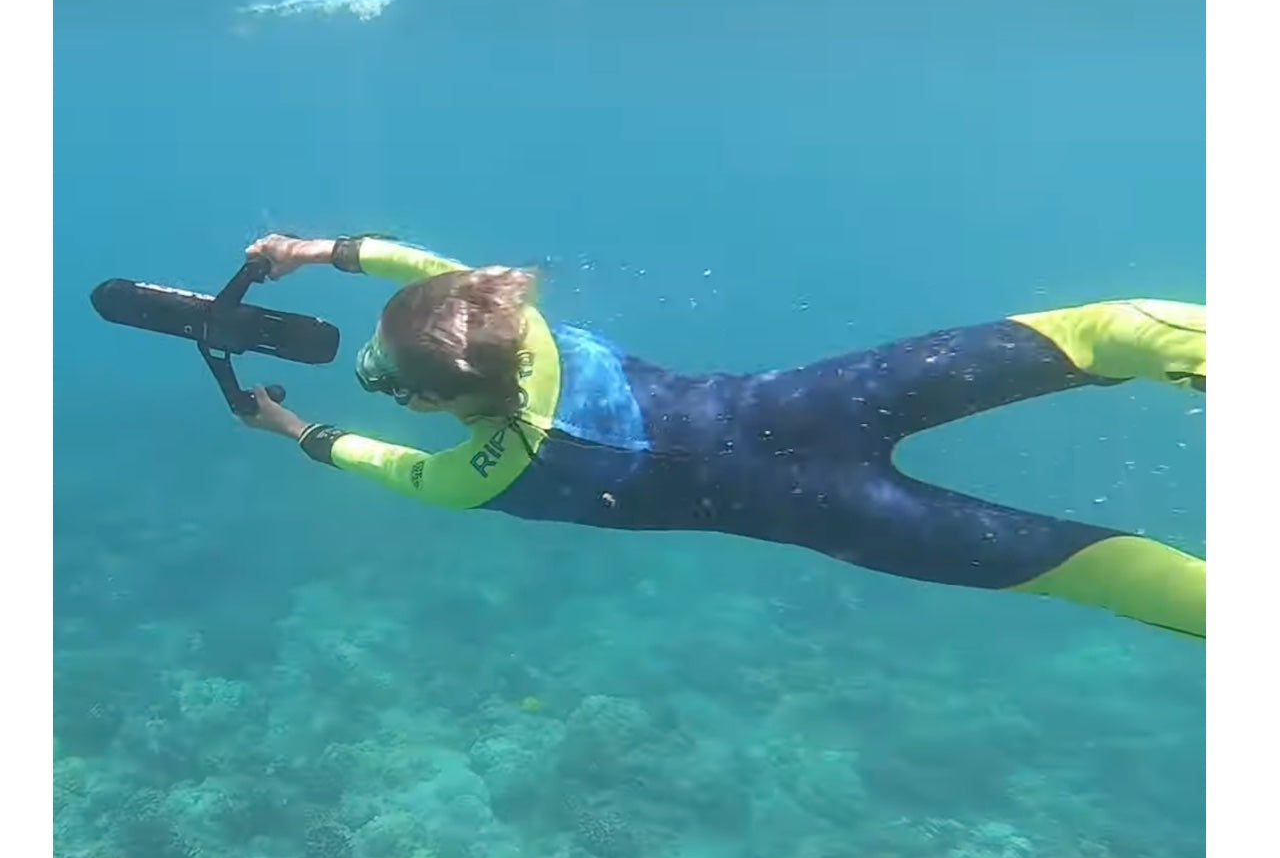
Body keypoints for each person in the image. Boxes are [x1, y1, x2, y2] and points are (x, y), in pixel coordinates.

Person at [241, 232, 1206, 639]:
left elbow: (391, 468)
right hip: (819, 401)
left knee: (1091, 572)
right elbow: (424, 271)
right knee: (1090, 335)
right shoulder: (511, 323)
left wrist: (293, 426)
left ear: (434, 401)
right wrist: (316, 251)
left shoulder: (479, 476)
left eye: (383, 375)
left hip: (829, 513)